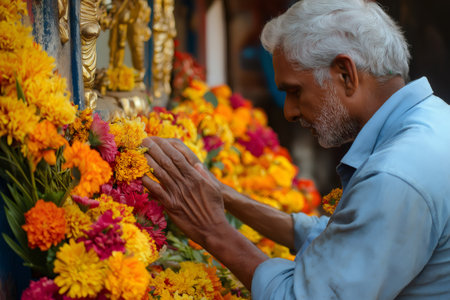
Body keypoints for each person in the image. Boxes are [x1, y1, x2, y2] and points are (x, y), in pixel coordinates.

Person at [142, 0, 450, 298]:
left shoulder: (394, 176)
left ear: (346, 74)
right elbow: (345, 239)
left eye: (294, 91)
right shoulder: (432, 120)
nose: (289, 111)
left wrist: (211, 230)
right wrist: (223, 194)